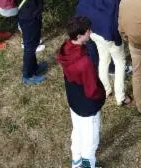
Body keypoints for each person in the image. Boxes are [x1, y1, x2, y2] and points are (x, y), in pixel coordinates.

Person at [75, 0, 131, 107]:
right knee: (119, 63)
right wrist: (118, 40)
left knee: (103, 60)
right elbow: (113, 20)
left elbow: (80, 8)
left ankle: (105, 90)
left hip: (92, 32)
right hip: (108, 35)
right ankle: (121, 97)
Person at [57, 16, 105, 168]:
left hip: (74, 101)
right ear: (79, 36)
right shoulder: (84, 63)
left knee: (77, 132)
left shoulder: (65, 47)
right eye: (88, 31)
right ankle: (87, 164)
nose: (90, 32)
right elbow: (92, 91)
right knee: (90, 143)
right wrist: (100, 97)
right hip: (87, 107)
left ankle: (76, 161)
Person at [11, 0, 51, 85]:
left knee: (32, 42)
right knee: (30, 45)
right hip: (29, 13)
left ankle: (34, 67)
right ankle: (27, 76)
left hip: (22, 9)